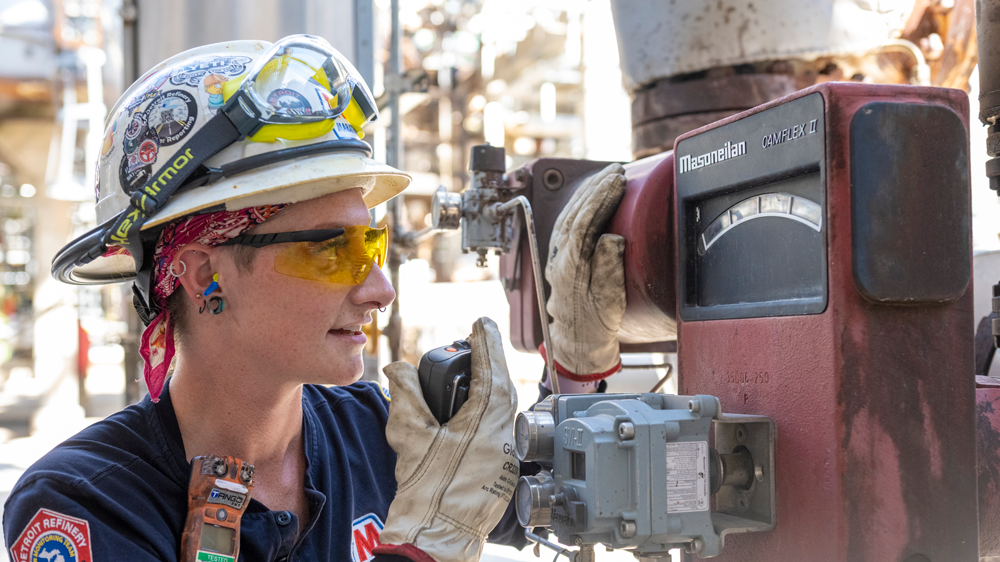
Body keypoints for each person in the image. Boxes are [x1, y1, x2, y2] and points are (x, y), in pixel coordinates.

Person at [3, 36, 521, 562]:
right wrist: (424, 547)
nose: (378, 291)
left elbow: (575, 498)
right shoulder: (83, 504)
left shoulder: (385, 434)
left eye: (371, 244)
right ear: (204, 274)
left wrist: (578, 352)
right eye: (330, 251)